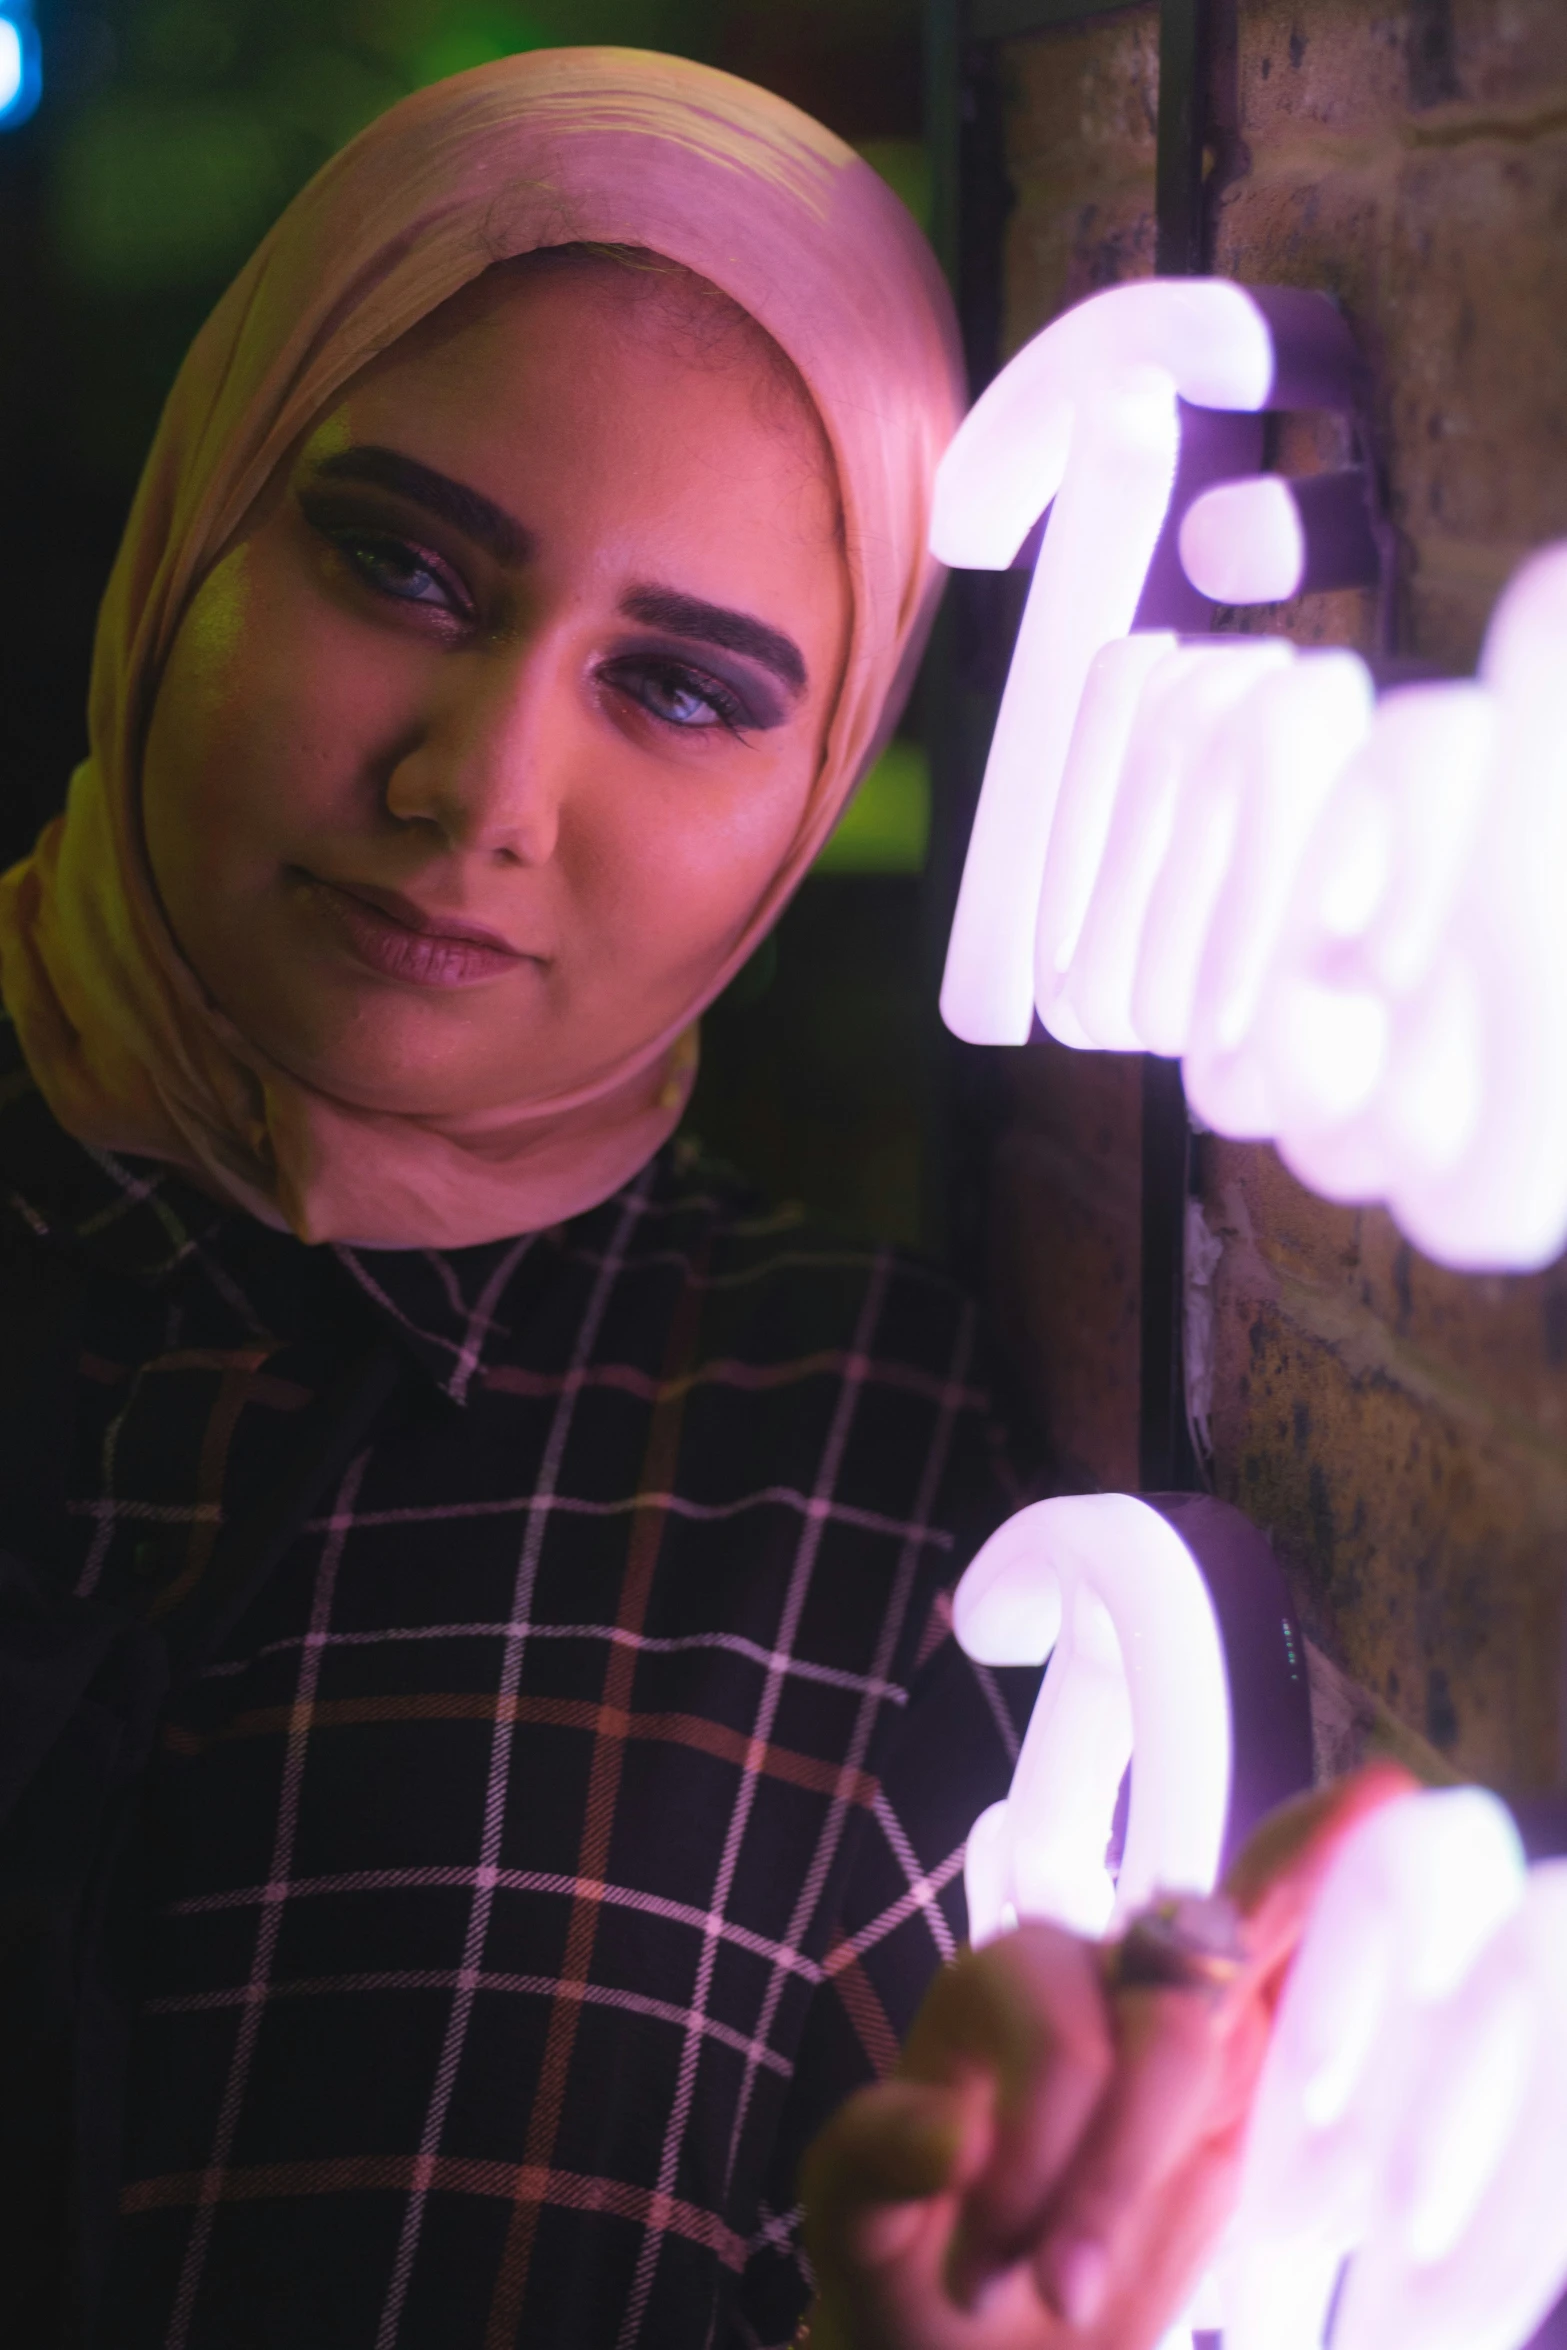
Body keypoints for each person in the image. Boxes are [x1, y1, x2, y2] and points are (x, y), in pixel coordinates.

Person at [0, 42, 1385, 2350]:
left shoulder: (840, 1500)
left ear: (833, 765)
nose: (482, 788)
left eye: (684, 685)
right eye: (406, 561)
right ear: (199, 509)